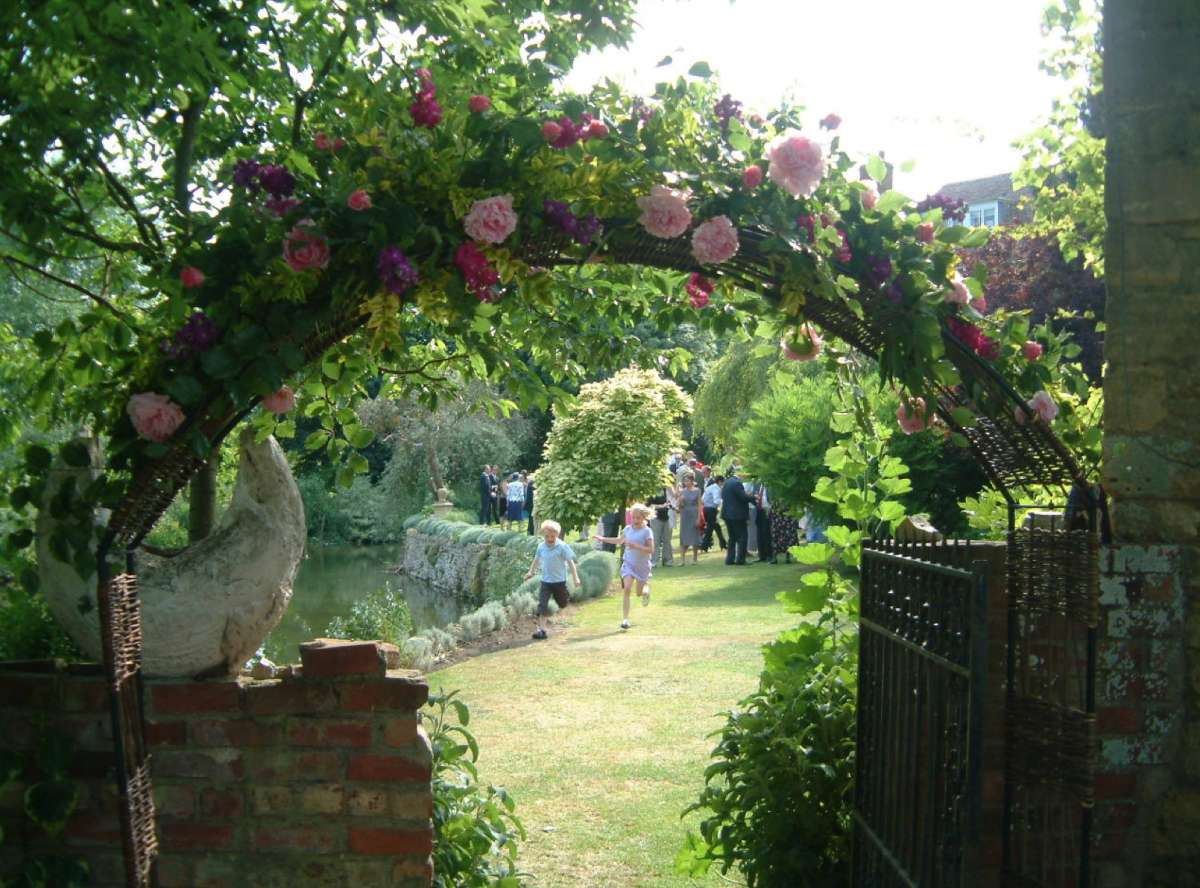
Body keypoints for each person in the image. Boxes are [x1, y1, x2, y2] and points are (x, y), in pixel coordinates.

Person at [594, 503, 654, 629]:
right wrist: (602, 539)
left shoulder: (647, 531)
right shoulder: (628, 529)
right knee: (627, 588)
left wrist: (636, 547)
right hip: (629, 564)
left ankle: (645, 591)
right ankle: (625, 619)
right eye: (634, 517)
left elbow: (651, 550)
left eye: (638, 518)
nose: (636, 520)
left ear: (644, 518)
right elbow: (618, 541)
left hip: (642, 566)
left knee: (638, 593)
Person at [523, 519, 581, 639]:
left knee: (562, 603)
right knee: (542, 604)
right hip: (546, 581)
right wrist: (530, 572)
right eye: (547, 536)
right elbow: (537, 560)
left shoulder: (562, 547)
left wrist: (576, 578)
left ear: (557, 535)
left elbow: (570, 563)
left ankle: (566, 596)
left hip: (559, 581)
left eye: (552, 536)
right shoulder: (541, 547)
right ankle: (542, 630)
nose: (549, 539)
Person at [721, 466, 755, 565]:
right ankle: (740, 559)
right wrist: (753, 498)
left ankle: (730, 559)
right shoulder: (737, 483)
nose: (745, 476)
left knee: (732, 537)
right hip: (737, 514)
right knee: (742, 536)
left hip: (727, 513)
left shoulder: (727, 482)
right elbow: (743, 498)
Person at [677, 473, 703, 564]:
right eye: (685, 481)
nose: (686, 483)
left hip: (694, 514)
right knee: (684, 536)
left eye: (688, 481)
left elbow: (700, 505)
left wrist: (699, 518)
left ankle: (695, 559)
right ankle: (682, 560)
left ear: (692, 481)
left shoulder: (697, 491)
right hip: (685, 515)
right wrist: (680, 502)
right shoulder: (682, 491)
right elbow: (679, 508)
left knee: (695, 537)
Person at [646, 485, 675, 567]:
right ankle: (654, 561)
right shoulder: (652, 491)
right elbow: (649, 505)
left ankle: (668, 560)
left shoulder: (665, 491)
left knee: (667, 540)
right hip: (655, 518)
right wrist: (662, 506)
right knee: (655, 540)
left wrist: (668, 505)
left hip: (665, 517)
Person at [701, 473, 727, 552]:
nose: (723, 484)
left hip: (706, 508)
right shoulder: (717, 489)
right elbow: (716, 501)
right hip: (711, 509)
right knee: (709, 529)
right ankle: (704, 546)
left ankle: (723, 544)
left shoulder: (710, 487)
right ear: (720, 482)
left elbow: (703, 498)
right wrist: (725, 502)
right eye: (722, 482)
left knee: (717, 527)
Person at [753, 483, 775, 563]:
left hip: (767, 511)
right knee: (759, 534)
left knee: (767, 534)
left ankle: (769, 555)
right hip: (758, 511)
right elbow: (754, 497)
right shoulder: (757, 485)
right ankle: (761, 556)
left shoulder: (771, 486)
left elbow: (773, 500)